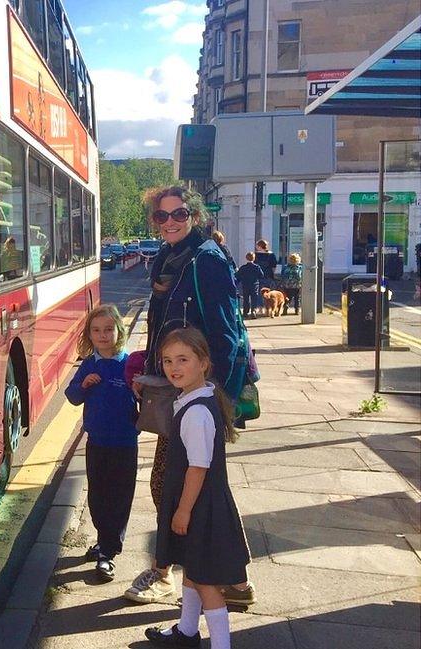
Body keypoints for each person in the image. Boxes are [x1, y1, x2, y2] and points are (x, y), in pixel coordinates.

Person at [126, 185, 255, 608]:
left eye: (179, 214)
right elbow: (166, 325)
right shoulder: (169, 259)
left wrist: (217, 400)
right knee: (202, 483)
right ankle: (232, 580)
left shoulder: (206, 261)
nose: (171, 222)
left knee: (170, 481)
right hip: (178, 389)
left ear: (194, 215)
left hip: (199, 394)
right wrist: (147, 370)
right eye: (161, 217)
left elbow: (228, 336)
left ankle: (165, 571)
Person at [144, 327, 250, 649]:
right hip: (202, 504)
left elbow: (198, 467)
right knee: (193, 570)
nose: (174, 367)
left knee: (207, 585)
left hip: (199, 507)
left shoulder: (198, 412)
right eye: (167, 360)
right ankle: (187, 632)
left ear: (203, 363)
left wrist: (183, 510)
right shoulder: (196, 398)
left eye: (183, 359)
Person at [64, 304, 138, 582]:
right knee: (97, 496)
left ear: (119, 330)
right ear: (89, 334)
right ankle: (103, 540)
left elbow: (145, 399)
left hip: (124, 443)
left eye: (108, 329)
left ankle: (108, 552)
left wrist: (140, 390)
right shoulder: (89, 364)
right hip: (97, 442)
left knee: (119, 498)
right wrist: (83, 386)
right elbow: (72, 396)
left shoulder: (128, 364)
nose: (103, 335)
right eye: (96, 330)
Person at [235, 252, 264, 319]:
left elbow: (238, 276)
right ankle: (253, 311)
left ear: (246, 258)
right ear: (254, 258)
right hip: (254, 285)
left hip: (245, 285)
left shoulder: (243, 267)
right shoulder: (257, 267)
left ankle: (245, 312)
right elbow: (261, 275)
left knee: (246, 298)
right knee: (254, 298)